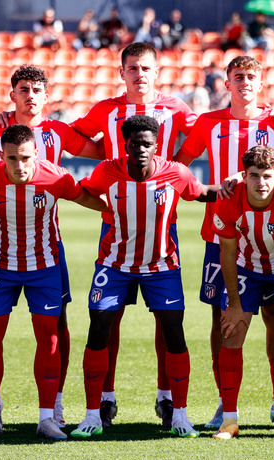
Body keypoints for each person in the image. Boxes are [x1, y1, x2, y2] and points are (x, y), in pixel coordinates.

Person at [0, 64, 103, 428]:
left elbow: (103, 154)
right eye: (23, 89)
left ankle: (54, 407)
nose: (30, 95)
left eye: (36, 89)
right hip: (1, 253)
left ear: (46, 96)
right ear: (12, 94)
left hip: (48, 247)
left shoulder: (59, 132)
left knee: (56, 327)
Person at [70, 42, 197, 429]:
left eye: (145, 68)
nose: (139, 73)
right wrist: (109, 163)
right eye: (132, 68)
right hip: (117, 218)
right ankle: (104, 401)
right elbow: (76, 137)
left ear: (156, 71)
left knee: (167, 319)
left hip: (162, 219)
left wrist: (176, 170)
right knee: (110, 316)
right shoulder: (106, 110)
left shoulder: (176, 108)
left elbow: (200, 135)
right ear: (121, 72)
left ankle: (167, 399)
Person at [70, 115, 219, 438]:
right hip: (114, 265)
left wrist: (234, 188)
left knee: (173, 333)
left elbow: (202, 193)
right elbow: (84, 192)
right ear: (125, 145)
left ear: (157, 146)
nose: (141, 149)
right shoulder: (107, 170)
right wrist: (105, 210)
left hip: (161, 267)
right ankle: (92, 414)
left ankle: (179, 414)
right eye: (135, 143)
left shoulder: (174, 172)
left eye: (147, 144)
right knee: (99, 329)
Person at [175, 56, 274, 430]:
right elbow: (180, 167)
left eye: (251, 76)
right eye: (238, 77)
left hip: (272, 236)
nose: (244, 82)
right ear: (226, 83)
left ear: (261, 83)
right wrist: (212, 191)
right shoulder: (209, 123)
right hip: (222, 235)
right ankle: (223, 402)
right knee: (224, 320)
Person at [0, 124, 107, 440]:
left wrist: (118, 210)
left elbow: (86, 198)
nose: (19, 166)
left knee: (49, 337)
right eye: (12, 158)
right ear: (1, 155)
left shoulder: (57, 177)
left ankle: (47, 418)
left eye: (26, 158)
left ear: (37, 154)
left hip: (44, 268)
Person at [212, 145, 274, 440]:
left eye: (267, 176)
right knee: (231, 329)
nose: (261, 183)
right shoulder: (229, 199)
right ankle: (229, 420)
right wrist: (233, 302)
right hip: (246, 268)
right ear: (244, 176)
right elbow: (227, 254)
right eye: (254, 176)